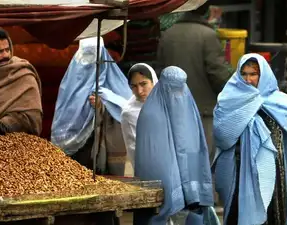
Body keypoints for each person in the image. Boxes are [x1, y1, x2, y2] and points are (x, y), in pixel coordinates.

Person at [213, 53, 287, 225]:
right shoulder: (229, 99)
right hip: (239, 169)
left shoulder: (275, 99)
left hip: (272, 170)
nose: (248, 79)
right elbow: (222, 136)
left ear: (263, 75)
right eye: (243, 74)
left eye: (253, 74)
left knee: (271, 213)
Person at [134, 66, 215, 225]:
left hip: (188, 189)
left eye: (180, 89)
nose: (176, 95)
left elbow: (194, 148)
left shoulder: (188, 106)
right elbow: (155, 160)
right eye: (172, 90)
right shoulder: (150, 115)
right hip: (163, 187)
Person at [157, 2, 231, 159]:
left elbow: (160, 71)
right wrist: (234, 91)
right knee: (202, 161)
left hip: (173, 110)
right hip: (202, 111)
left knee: (177, 160)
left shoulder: (168, 34)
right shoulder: (208, 35)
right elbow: (217, 72)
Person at [51, 37, 132, 176]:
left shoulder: (115, 83)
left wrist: (102, 106)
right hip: (72, 151)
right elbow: (62, 113)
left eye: (94, 54)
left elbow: (128, 111)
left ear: (102, 56)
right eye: (86, 55)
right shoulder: (70, 83)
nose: (89, 61)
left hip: (100, 147)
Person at [120, 63, 158, 175]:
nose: (140, 91)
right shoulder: (129, 113)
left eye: (143, 84)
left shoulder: (167, 103)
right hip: (149, 169)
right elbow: (134, 149)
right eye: (134, 87)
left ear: (154, 82)